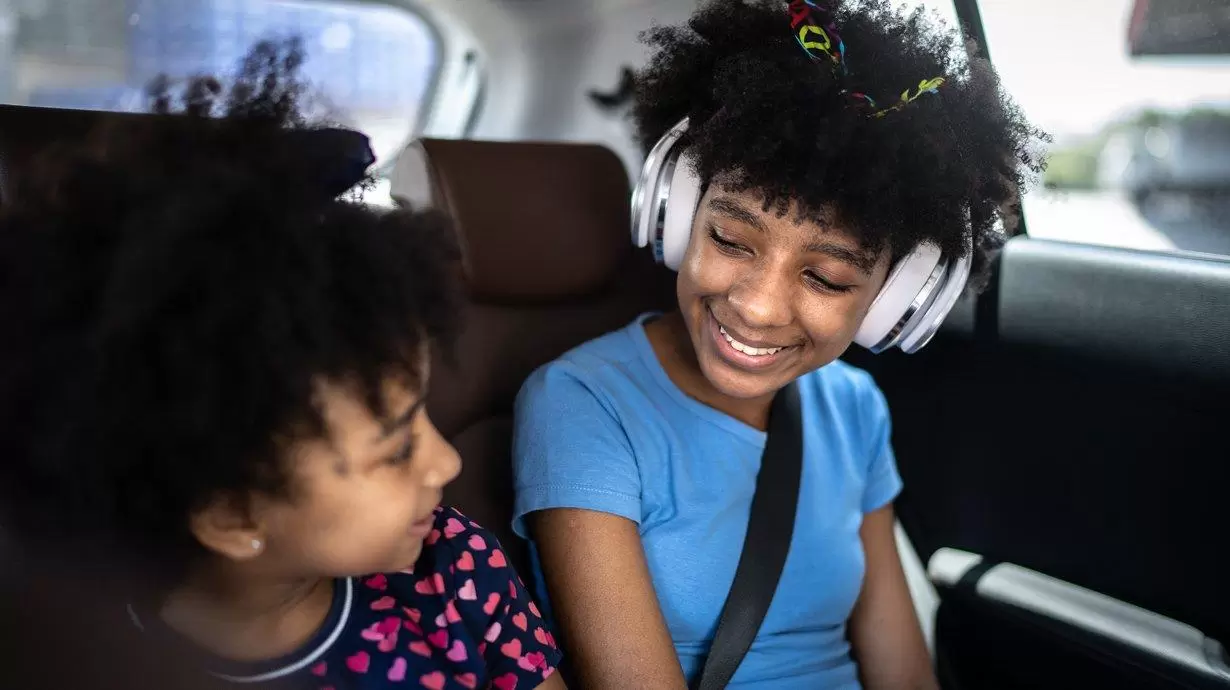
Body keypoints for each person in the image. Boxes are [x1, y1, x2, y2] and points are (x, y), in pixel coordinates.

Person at [510, 1, 1046, 688]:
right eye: (730, 240)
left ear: (890, 301)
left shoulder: (853, 408)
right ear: (679, 215)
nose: (758, 307)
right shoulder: (583, 404)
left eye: (825, 278)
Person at [0, 38, 563, 690]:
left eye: (424, 418)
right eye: (396, 450)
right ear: (233, 514)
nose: (446, 464)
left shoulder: (454, 571)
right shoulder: (77, 655)